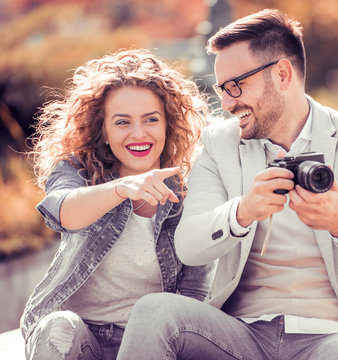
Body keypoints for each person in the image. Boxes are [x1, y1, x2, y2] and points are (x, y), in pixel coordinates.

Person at [117, 9, 338, 360]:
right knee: (154, 312)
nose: (227, 103)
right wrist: (243, 212)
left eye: (235, 86)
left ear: (282, 74)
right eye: (222, 89)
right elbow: (188, 245)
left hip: (334, 336)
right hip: (241, 334)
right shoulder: (219, 144)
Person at [20, 48, 214, 360]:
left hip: (150, 340)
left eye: (151, 119)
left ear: (168, 124)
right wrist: (122, 188)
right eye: (122, 122)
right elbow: (61, 211)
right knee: (59, 327)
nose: (139, 133)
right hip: (77, 339)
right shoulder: (77, 170)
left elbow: (193, 294)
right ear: (104, 131)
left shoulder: (191, 190)